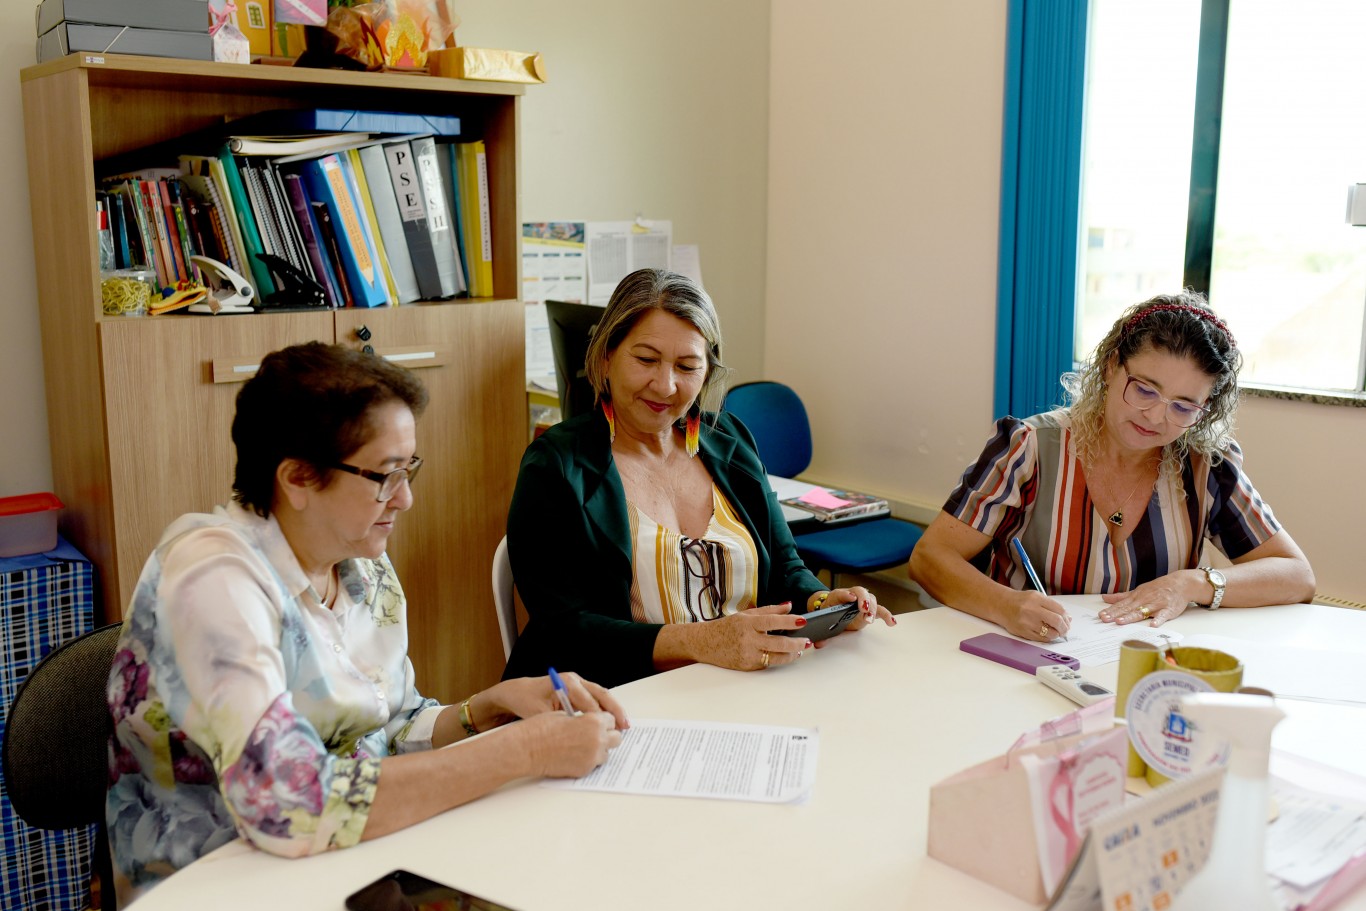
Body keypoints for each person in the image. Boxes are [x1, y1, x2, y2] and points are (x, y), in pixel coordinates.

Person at [106, 343, 627, 903]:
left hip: (358, 863)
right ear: (298, 478)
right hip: (222, 882)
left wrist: (489, 709)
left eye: (409, 469)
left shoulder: (360, 559)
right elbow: (288, 805)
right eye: (385, 475)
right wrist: (525, 751)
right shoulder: (213, 577)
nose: (405, 498)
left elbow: (390, 726)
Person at [504, 268, 895, 688]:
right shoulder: (556, 465)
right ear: (606, 357)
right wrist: (704, 641)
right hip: (621, 698)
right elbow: (563, 629)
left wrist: (821, 602)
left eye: (687, 366)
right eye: (646, 360)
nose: (666, 385)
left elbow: (785, 567)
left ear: (706, 373)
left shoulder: (731, 441)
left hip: (744, 686)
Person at [908, 291, 1314, 641]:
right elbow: (929, 558)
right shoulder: (1030, 447)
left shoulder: (1206, 466)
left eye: (1183, 406)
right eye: (1144, 389)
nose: (1156, 417)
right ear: (1110, 365)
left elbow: (1296, 575)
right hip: (1025, 655)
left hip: (1142, 671)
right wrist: (1007, 605)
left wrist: (1191, 583)